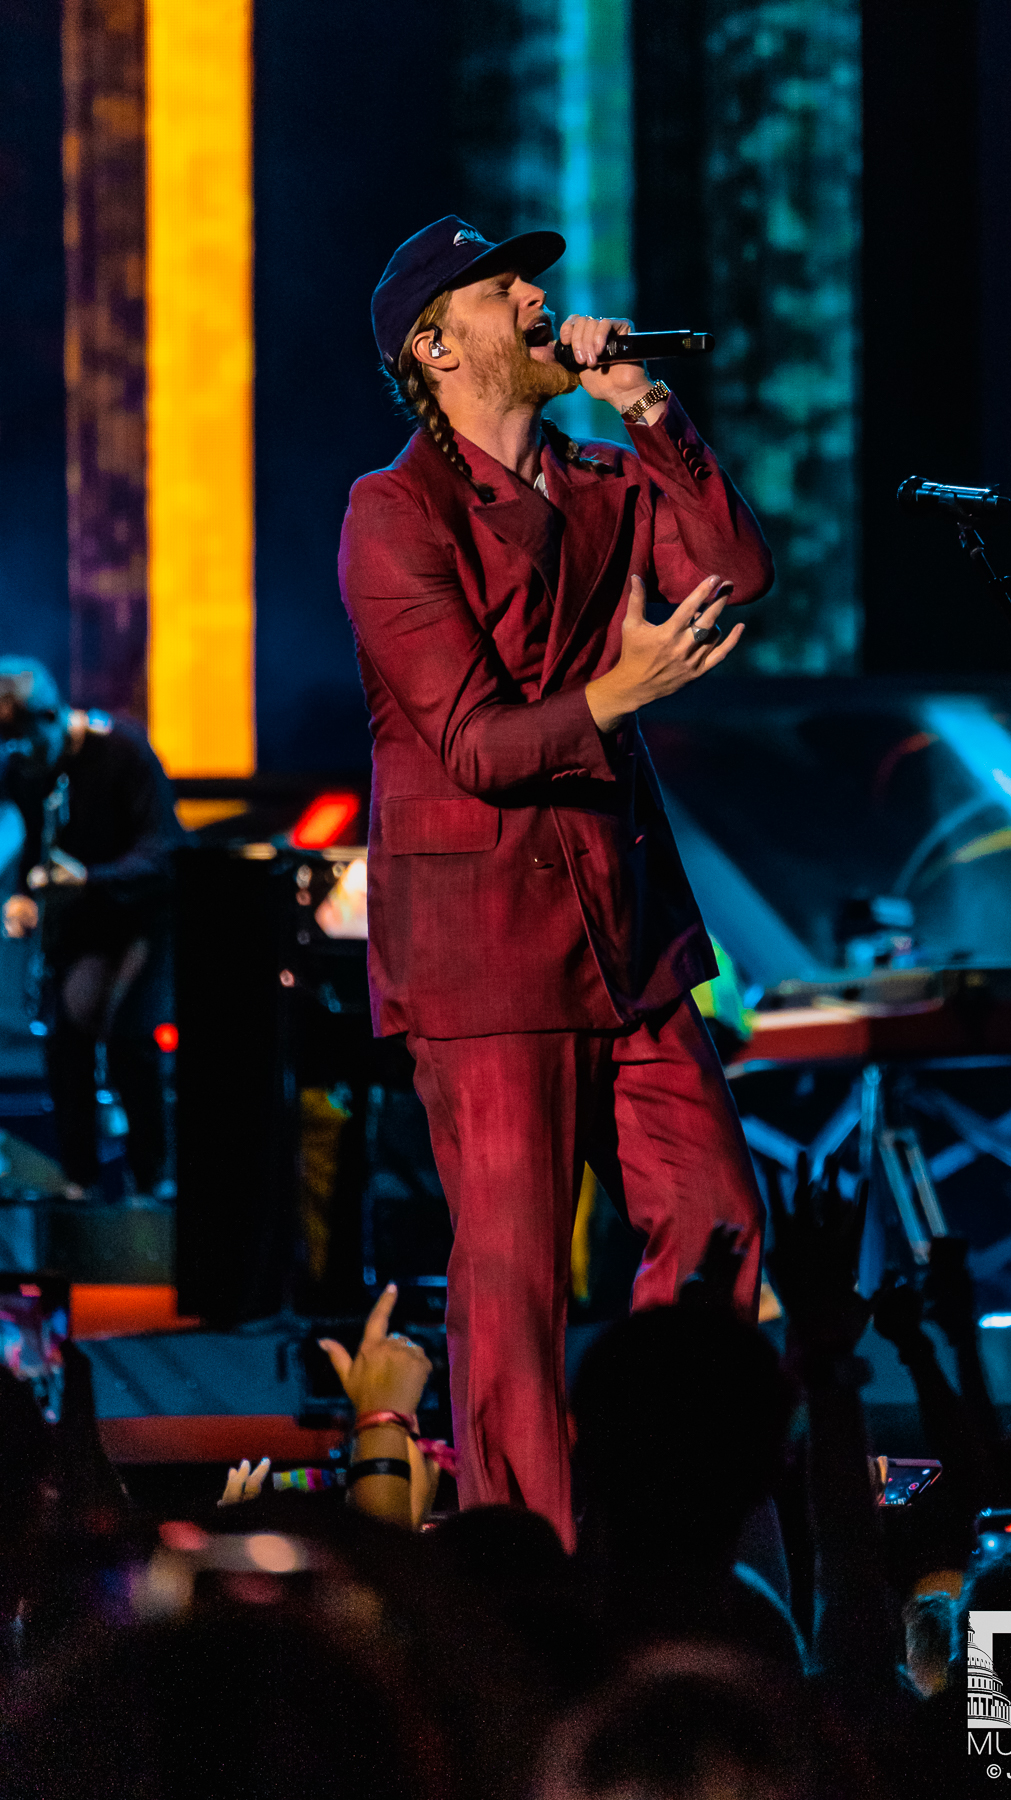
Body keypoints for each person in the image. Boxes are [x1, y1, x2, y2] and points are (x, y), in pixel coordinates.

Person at [338, 215, 774, 1545]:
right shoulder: (392, 513)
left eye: (533, 280)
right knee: (515, 1289)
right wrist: (620, 691)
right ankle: (529, 1580)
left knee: (717, 1231)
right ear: (435, 344)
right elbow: (470, 740)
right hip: (485, 948)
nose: (539, 298)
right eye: (501, 288)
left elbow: (735, 576)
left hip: (623, 926)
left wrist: (649, 404)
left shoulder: (600, 477)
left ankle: (664, 1521)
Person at [0, 658, 181, 1202]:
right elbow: (35, 848)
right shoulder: (23, 771)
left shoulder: (122, 750)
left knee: (129, 1038)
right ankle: (79, 1183)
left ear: (52, 719)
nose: (19, 759)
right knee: (66, 1039)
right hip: (87, 926)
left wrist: (89, 878)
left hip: (145, 918)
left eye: (25, 743)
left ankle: (154, 1180)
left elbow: (163, 850)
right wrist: (21, 898)